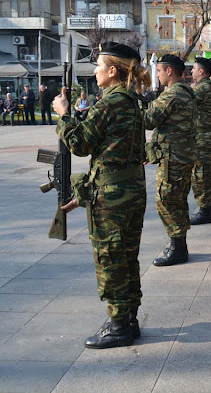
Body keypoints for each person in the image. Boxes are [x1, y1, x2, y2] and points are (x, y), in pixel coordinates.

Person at [52, 41, 150, 349]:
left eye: (98, 66)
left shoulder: (110, 103)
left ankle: (119, 324)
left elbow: (80, 145)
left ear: (112, 70)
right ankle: (129, 319)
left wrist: (64, 115)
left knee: (110, 257)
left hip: (114, 195)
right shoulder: (131, 100)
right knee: (127, 256)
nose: (94, 71)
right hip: (130, 188)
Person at [144, 54, 196, 266]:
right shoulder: (186, 92)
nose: (157, 75)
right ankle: (179, 244)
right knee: (178, 199)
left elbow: (148, 120)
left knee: (166, 200)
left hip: (172, 157)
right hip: (182, 155)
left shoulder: (172, 95)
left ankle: (177, 247)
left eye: (158, 71)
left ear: (169, 71)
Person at [189, 57, 211, 225]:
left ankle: (204, 210)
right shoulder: (210, 86)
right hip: (207, 136)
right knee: (205, 174)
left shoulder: (203, 88)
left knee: (200, 175)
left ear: (201, 72)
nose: (191, 72)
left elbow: (184, 99)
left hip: (203, 138)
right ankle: (206, 209)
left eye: (193, 69)